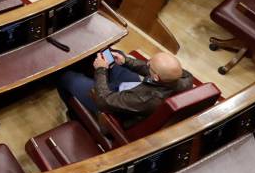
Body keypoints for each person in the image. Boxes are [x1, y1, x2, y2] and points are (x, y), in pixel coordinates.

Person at [58, 49, 194, 120]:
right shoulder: (184, 78)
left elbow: (104, 100)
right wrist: (126, 61)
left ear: (156, 77)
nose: (146, 62)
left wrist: (101, 70)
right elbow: (151, 72)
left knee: (66, 77)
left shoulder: (143, 99)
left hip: (118, 105)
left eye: (149, 64)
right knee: (118, 55)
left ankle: (75, 115)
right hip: (136, 88)